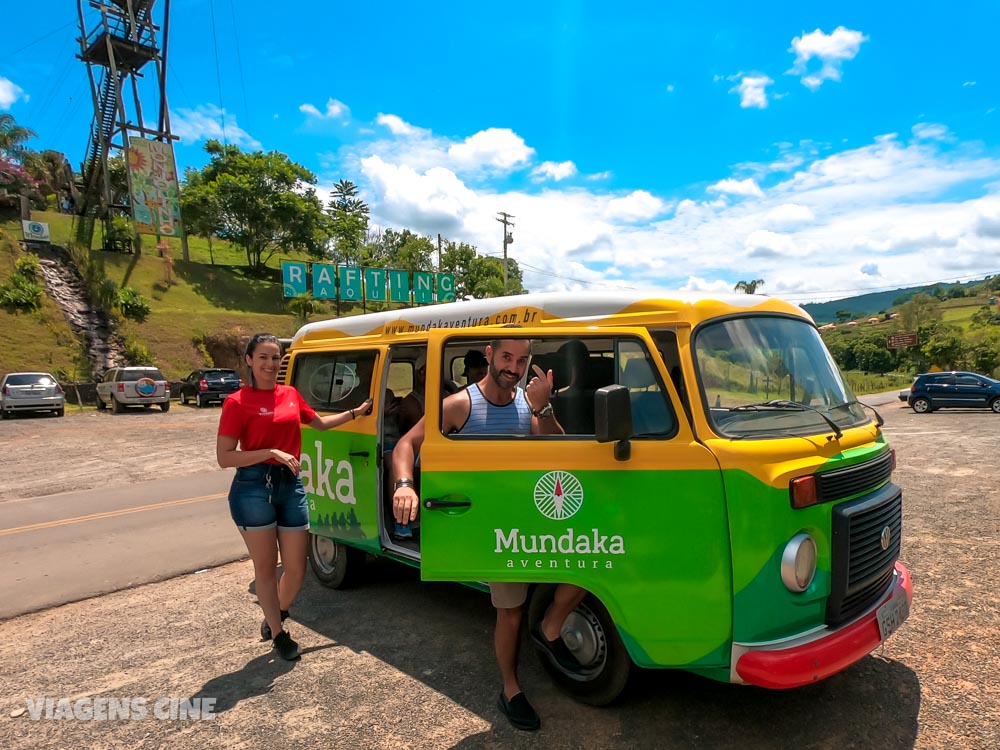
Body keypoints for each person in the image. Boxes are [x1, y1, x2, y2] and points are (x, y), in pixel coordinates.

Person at [391, 338, 587, 731]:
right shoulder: (461, 404)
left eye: (521, 359)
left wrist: (544, 405)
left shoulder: (525, 402)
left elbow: (555, 446)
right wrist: (404, 484)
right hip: (491, 527)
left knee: (588, 567)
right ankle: (510, 689)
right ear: (490, 356)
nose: (513, 367)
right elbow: (407, 443)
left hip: (530, 519)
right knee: (510, 612)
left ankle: (550, 629)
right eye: (506, 357)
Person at [217, 333, 372, 661]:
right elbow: (225, 457)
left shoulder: (289, 394)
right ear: (249, 360)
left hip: (291, 486)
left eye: (275, 358)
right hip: (253, 488)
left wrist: (355, 412)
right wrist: (269, 452)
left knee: (297, 569)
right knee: (265, 570)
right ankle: (278, 634)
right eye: (263, 357)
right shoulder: (237, 402)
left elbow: (320, 423)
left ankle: (277, 613)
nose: (270, 364)